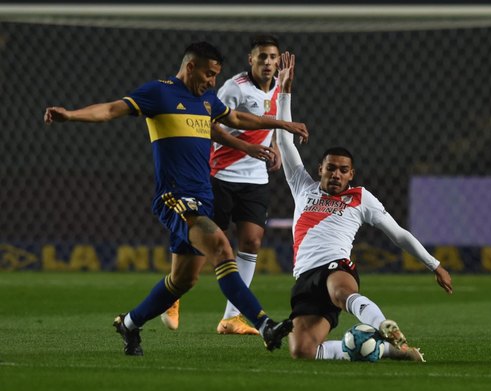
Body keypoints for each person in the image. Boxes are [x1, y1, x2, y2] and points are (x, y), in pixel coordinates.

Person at [44, 41, 310, 355]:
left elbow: (236, 120)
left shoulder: (208, 99)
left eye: (216, 76)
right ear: (190, 66)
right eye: (209, 74)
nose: (212, 82)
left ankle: (129, 323)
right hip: (175, 197)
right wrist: (70, 115)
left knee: (183, 280)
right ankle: (265, 324)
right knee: (223, 249)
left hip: (203, 196)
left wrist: (280, 123)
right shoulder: (159, 92)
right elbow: (110, 110)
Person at [274, 52, 453, 362]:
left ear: (351, 174)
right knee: (303, 352)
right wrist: (284, 92)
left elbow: (397, 234)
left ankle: (383, 326)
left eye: (343, 170)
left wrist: (433, 264)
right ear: (321, 169)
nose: (336, 174)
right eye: (331, 168)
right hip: (304, 278)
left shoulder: (360, 198)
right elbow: (283, 140)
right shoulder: (303, 186)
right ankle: (387, 350)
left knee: (341, 293)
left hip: (336, 267)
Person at [161, 34, 283, 336]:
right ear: (250, 60)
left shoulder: (280, 87)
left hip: (255, 179)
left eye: (272, 57)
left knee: (252, 241)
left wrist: (277, 144)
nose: (267, 63)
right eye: (262, 57)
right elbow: (211, 124)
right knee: (205, 248)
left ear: (278, 61)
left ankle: (231, 318)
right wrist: (246, 148)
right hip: (221, 176)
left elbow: (272, 121)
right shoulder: (233, 87)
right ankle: (173, 294)